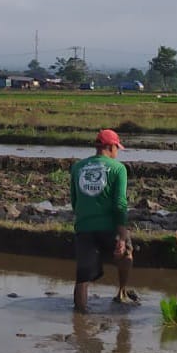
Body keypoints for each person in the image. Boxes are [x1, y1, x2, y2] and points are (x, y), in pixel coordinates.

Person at [70, 128, 136, 311]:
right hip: (109, 227)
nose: (117, 152)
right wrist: (122, 234)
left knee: (82, 277)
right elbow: (120, 203)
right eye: (117, 148)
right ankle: (122, 292)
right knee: (126, 253)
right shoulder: (118, 169)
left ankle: (80, 318)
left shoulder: (77, 167)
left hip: (84, 227)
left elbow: (74, 201)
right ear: (111, 146)